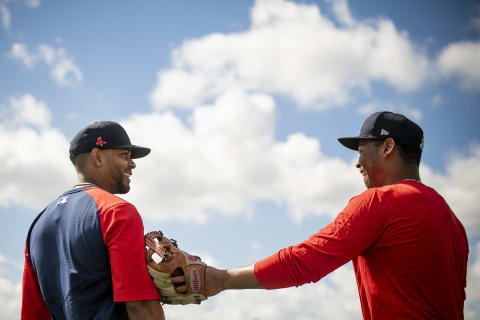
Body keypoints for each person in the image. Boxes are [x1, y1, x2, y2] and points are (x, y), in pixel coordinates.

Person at [172, 111, 469, 319]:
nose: (357, 163)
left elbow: (305, 261)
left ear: (388, 147)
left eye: (361, 150)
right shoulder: (454, 222)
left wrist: (220, 279)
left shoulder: (379, 202)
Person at [21, 121, 165, 319]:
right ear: (97, 157)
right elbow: (139, 305)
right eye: (124, 155)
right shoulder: (116, 211)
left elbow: (33, 314)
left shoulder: (38, 224)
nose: (132, 164)